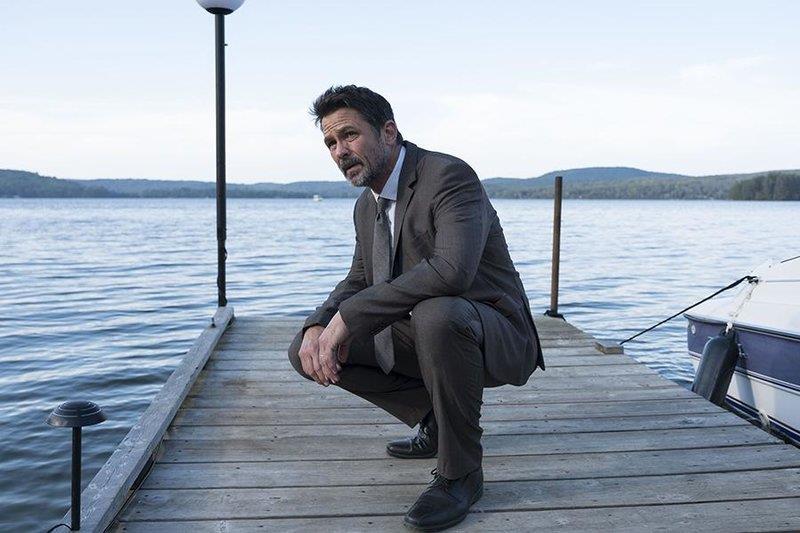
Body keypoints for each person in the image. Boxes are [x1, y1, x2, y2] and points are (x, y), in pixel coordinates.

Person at [287, 85, 544, 531]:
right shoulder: (366, 206)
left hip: (493, 331)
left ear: (388, 132)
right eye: (330, 142)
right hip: (432, 333)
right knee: (306, 351)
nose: (340, 151)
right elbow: (359, 279)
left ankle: (461, 472)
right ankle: (436, 420)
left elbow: (452, 272)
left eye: (349, 135)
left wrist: (350, 317)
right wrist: (320, 323)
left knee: (436, 313)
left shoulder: (448, 176)